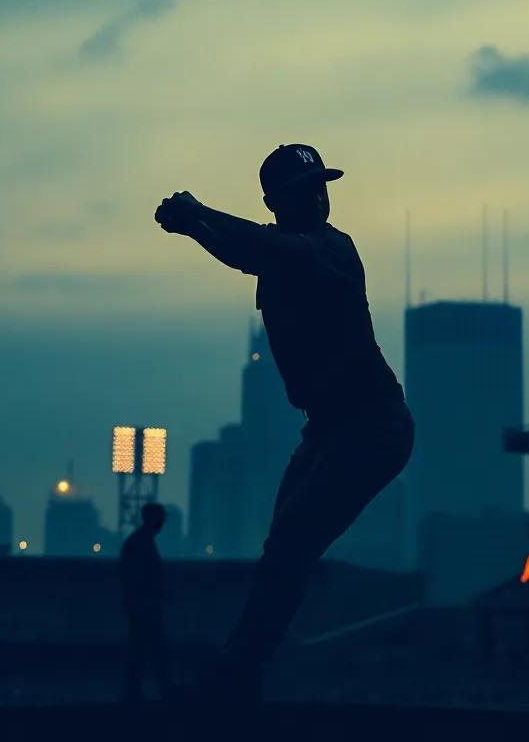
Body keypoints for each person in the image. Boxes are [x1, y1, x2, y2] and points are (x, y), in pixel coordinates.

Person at [154, 144, 415, 704]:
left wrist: (197, 213)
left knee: (291, 545)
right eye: (303, 191)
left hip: (374, 427)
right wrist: (195, 228)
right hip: (330, 430)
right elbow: (246, 253)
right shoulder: (281, 254)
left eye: (321, 188)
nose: (319, 199)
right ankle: (241, 671)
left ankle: (238, 674)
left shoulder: (332, 248)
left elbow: (260, 247)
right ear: (275, 201)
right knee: (283, 549)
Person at [119, 502, 174, 704]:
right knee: (153, 649)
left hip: (140, 605)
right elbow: (144, 577)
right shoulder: (143, 543)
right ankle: (162, 690)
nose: (163, 523)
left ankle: (135, 691)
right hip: (145, 607)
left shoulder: (137, 541)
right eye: (161, 519)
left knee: (140, 649)